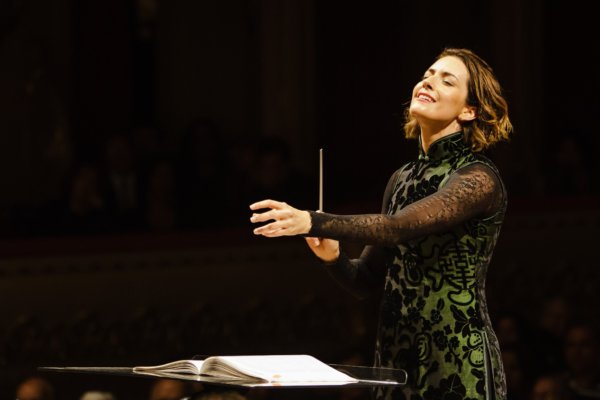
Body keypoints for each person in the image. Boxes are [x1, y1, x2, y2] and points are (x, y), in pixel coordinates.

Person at [250, 48, 512, 400]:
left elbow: (396, 227)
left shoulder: (478, 178)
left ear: (469, 110)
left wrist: (313, 220)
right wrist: (333, 258)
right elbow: (365, 280)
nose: (428, 82)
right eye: (428, 75)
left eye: (446, 80)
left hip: (456, 360)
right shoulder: (401, 179)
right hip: (395, 357)